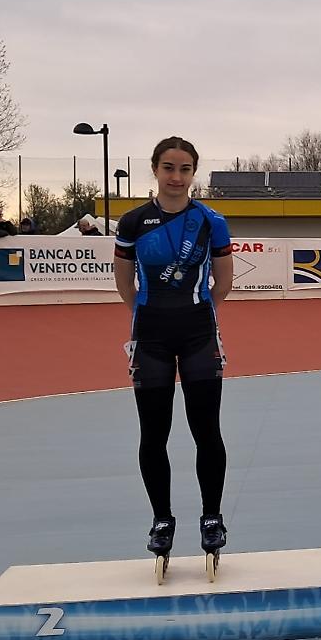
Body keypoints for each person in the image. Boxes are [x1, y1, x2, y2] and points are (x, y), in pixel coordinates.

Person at [113, 137, 234, 576]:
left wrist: (199, 312)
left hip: (199, 333)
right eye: (168, 168)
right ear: (155, 170)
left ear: (193, 173)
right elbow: (123, 277)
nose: (176, 177)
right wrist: (147, 315)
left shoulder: (211, 221)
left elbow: (223, 281)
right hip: (152, 336)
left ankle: (211, 516)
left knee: (207, 430)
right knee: (154, 433)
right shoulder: (132, 222)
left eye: (184, 169)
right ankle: (162, 520)